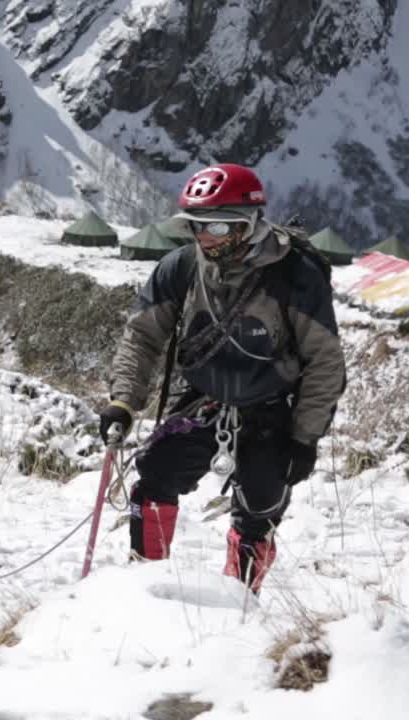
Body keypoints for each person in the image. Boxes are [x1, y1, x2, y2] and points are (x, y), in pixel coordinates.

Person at [99, 164, 346, 593]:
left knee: (258, 510)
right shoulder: (180, 269)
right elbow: (142, 337)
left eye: (217, 225)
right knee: (155, 477)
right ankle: (144, 589)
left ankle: (241, 609)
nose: (205, 236)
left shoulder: (295, 277)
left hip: (271, 412)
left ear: (249, 225)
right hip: (203, 400)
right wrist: (124, 401)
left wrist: (303, 439)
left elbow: (324, 362)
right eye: (196, 225)